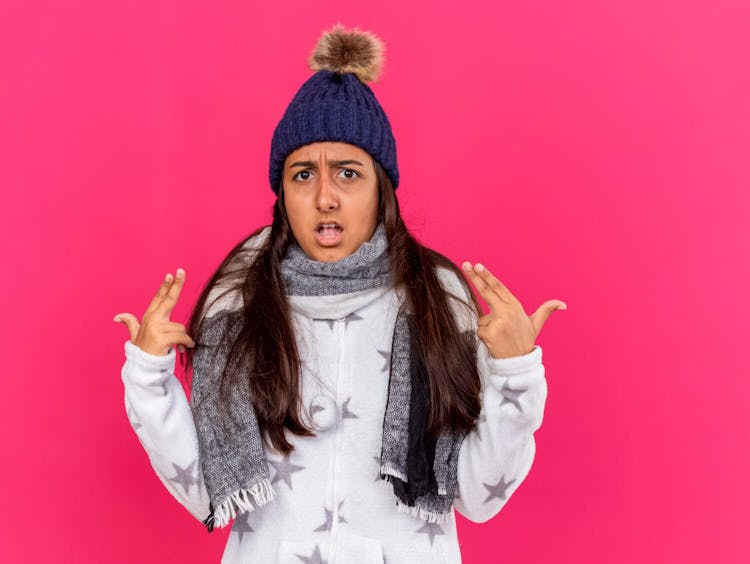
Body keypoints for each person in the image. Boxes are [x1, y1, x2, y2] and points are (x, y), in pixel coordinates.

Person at [114, 23, 565, 564]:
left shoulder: (438, 301)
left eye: (348, 173)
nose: (325, 196)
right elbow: (205, 489)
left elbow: (476, 495)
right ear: (282, 193)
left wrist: (514, 373)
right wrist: (149, 379)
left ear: (382, 188)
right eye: (303, 175)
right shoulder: (238, 303)